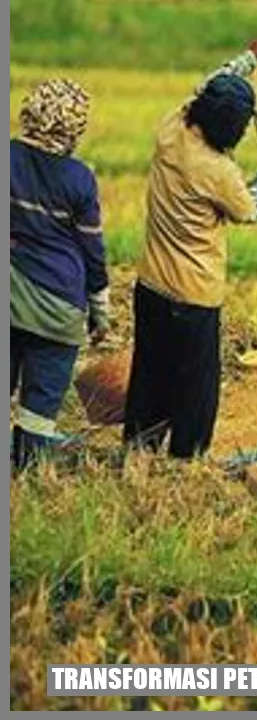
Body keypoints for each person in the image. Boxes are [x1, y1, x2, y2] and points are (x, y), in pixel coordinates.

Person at [122, 40, 257, 459]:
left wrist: (248, 60)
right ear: (231, 130)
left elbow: (205, 88)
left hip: (151, 284)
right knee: (196, 386)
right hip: (194, 295)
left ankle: (139, 451)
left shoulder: (172, 127)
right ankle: (186, 462)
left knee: (149, 374)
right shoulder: (218, 172)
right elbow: (251, 212)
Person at [10, 79, 109, 470]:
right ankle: (28, 472)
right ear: (74, 129)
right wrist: (100, 312)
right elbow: (93, 254)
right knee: (41, 404)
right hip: (59, 309)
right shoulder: (79, 179)